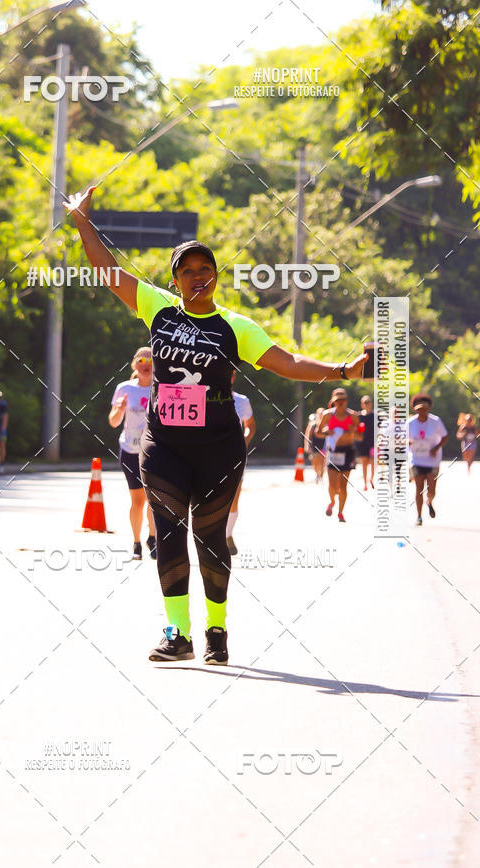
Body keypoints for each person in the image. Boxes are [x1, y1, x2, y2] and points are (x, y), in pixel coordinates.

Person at [65, 185, 367, 665]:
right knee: (167, 535)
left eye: (206, 269)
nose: (198, 277)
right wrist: (82, 220)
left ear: (217, 276)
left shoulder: (235, 326)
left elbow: (286, 361)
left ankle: (217, 630)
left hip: (219, 445)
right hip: (163, 442)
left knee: (209, 538)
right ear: (176, 280)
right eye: (188, 271)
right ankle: (176, 634)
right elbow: (109, 273)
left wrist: (344, 370)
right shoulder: (157, 308)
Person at [109, 347, 157, 560]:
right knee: (138, 500)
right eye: (141, 360)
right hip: (130, 450)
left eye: (150, 360)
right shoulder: (124, 388)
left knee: (154, 498)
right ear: (134, 365)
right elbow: (113, 422)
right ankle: (137, 542)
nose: (146, 363)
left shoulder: (161, 388)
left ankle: (153, 538)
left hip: (154, 451)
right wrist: (119, 409)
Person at [317, 388, 360, 522]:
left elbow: (360, 436)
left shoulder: (353, 416)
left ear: (346, 401)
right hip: (333, 451)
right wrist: (326, 432)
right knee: (332, 485)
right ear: (333, 402)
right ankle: (332, 502)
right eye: (337, 400)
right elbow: (318, 433)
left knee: (343, 486)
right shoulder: (327, 415)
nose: (340, 403)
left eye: (342, 400)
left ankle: (340, 512)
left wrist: (353, 431)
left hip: (347, 451)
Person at [226, 369, 256, 555]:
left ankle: (227, 534)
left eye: (228, 373)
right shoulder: (202, 396)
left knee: (234, 496)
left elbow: (250, 427)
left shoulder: (242, 400)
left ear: (233, 376)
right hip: (209, 455)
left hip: (234, 456)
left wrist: (242, 442)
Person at [408, 393, 448, 526]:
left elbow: (445, 436)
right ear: (415, 409)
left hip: (432, 459)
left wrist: (436, 448)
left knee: (431, 490)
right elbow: (403, 439)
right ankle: (419, 516)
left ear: (429, 408)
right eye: (419, 409)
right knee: (419, 488)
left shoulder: (436, 421)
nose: (422, 412)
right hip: (417, 459)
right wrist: (408, 442)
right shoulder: (411, 422)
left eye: (425, 409)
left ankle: (429, 501)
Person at [356, 395, 375, 491]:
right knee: (364, 463)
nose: (367, 404)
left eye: (369, 402)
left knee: (372, 462)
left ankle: (371, 479)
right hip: (362, 443)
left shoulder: (375, 416)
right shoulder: (358, 416)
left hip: (373, 443)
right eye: (365, 403)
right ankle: (365, 483)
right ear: (362, 404)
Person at [305, 408, 326, 483]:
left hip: (324, 446)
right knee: (315, 462)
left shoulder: (326, 424)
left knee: (323, 462)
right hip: (314, 446)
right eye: (320, 413)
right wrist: (307, 446)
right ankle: (317, 474)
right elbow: (308, 436)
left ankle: (321, 476)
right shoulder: (312, 425)